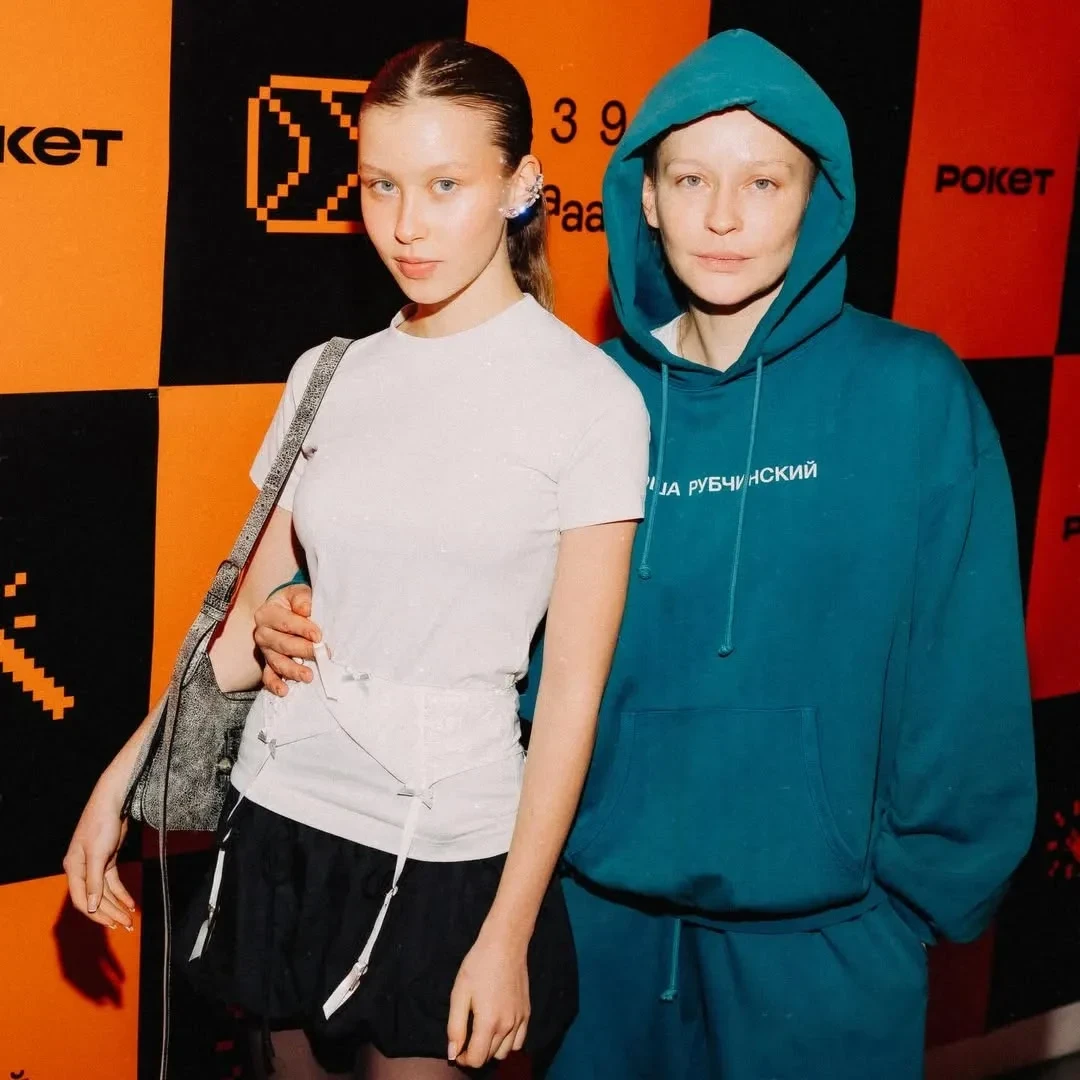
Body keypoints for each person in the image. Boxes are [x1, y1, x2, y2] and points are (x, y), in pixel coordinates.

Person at [256, 30, 1036, 1079]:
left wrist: (916, 900)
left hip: (831, 943)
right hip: (598, 925)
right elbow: (452, 579)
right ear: (648, 199)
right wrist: (296, 603)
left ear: (817, 195)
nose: (723, 216)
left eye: (763, 181)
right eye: (691, 179)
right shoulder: (584, 394)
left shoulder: (910, 392)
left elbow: (966, 665)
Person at [63, 39, 650, 1080]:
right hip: (281, 810)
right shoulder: (330, 375)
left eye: (444, 185)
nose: (406, 224)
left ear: (521, 185)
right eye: (381, 185)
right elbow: (242, 633)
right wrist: (122, 779)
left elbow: (571, 699)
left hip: (447, 844)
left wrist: (508, 931)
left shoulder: (588, 401)